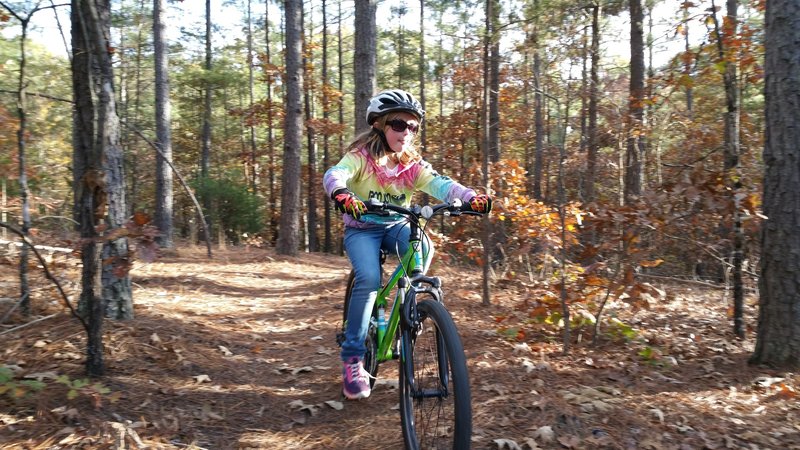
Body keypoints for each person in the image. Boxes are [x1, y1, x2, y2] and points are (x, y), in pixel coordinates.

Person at [323, 89, 492, 400]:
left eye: (413, 127)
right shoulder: (361, 158)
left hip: (396, 225)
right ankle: (353, 358)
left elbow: (441, 184)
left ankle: (406, 307)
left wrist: (469, 197)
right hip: (362, 229)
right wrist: (342, 194)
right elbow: (336, 174)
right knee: (370, 279)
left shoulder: (411, 163)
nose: (407, 132)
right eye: (399, 125)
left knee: (424, 248)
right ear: (381, 124)